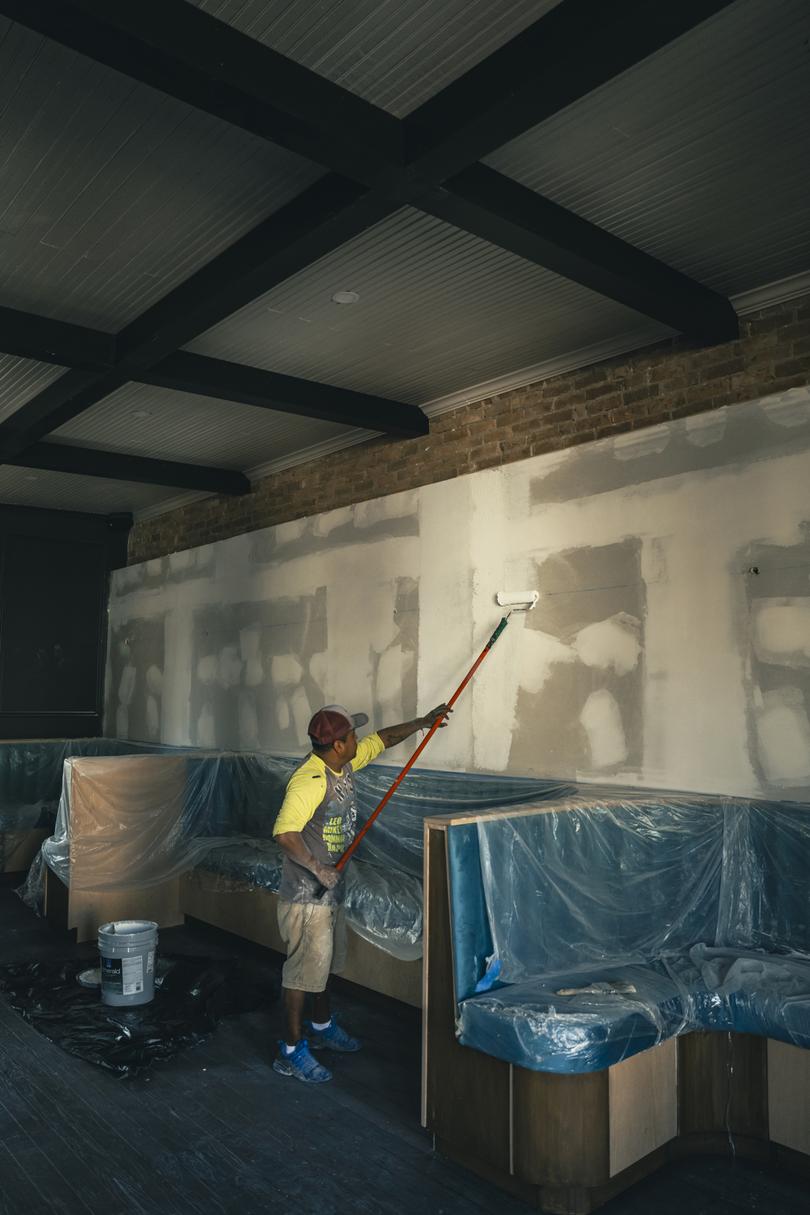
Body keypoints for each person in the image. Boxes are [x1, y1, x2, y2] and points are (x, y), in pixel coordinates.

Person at [271, 701, 451, 1083]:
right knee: (303, 974)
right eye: (352, 735)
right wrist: (319, 868)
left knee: (325, 966)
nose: (358, 739)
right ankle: (289, 1050)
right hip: (308, 895)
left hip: (330, 891)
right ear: (337, 745)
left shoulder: (343, 764)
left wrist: (423, 722)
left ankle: (320, 1028)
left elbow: (382, 739)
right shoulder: (310, 781)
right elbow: (285, 834)